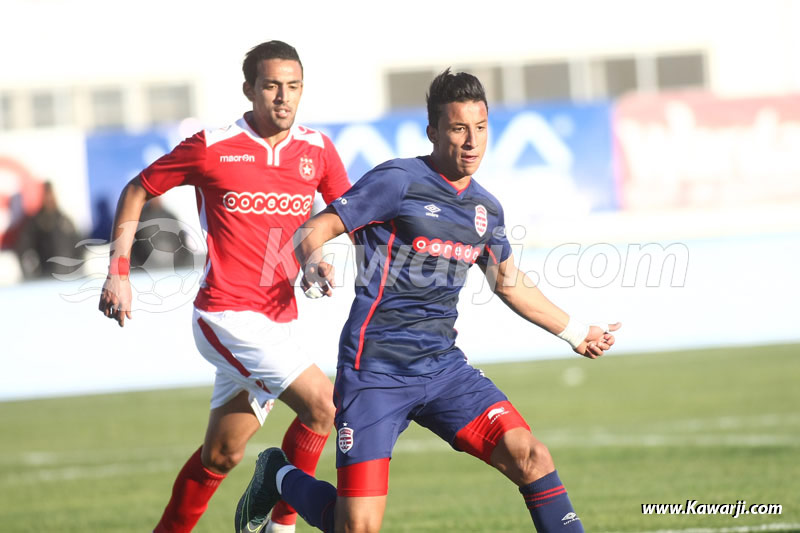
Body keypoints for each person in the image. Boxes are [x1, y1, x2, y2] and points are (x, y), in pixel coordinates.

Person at [235, 69, 621, 533]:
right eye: (458, 129)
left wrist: (577, 332)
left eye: (480, 129)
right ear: (433, 132)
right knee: (355, 526)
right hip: (376, 371)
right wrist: (314, 261)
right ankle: (277, 474)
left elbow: (509, 283)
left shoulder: (486, 209)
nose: (472, 141)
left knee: (531, 456)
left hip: (443, 370)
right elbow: (312, 229)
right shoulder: (398, 180)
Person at [98, 40, 351, 533]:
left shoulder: (317, 151)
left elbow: (339, 217)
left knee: (222, 453)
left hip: (277, 322)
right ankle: (281, 526)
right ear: (249, 89)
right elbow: (137, 190)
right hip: (225, 313)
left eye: (293, 87)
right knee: (325, 405)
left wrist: (314, 257)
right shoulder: (212, 146)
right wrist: (118, 272)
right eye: (272, 86)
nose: (283, 97)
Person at [15, 181, 82, 279]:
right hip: (44, 279)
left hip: (67, 278)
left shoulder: (64, 221)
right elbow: (22, 249)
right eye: (46, 195)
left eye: (51, 194)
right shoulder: (35, 223)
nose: (49, 198)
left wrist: (74, 269)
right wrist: (31, 273)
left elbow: (80, 248)